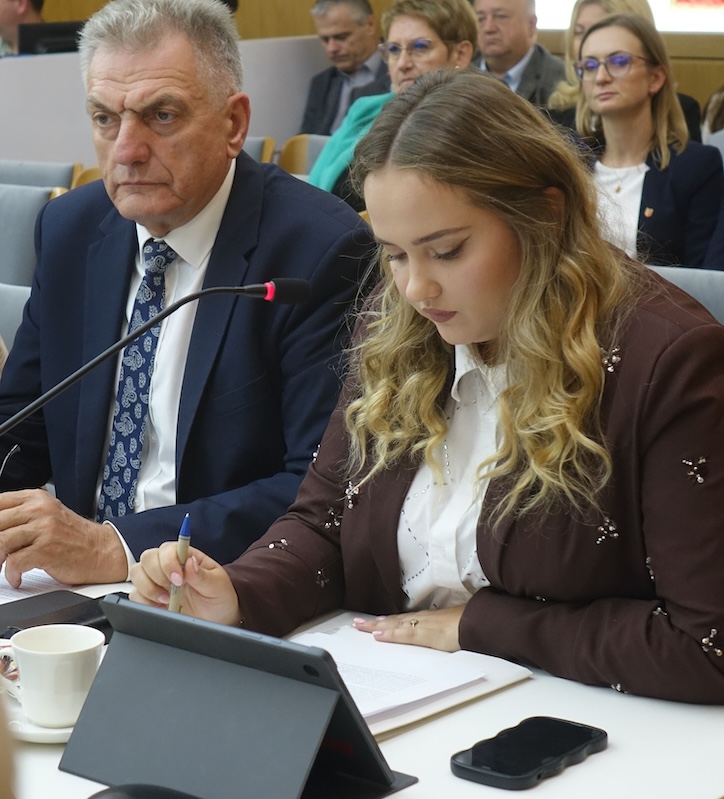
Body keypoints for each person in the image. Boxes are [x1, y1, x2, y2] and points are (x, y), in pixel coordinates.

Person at [130, 69, 724, 704]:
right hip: (398, 692)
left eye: (446, 251)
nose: (416, 288)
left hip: (587, 717)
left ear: (545, 217)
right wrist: (239, 593)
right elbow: (325, 521)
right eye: (394, 253)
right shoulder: (396, 323)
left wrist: (480, 626)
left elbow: (705, 645)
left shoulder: (667, 360)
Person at [0, 0, 373, 588]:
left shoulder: (318, 250)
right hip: (69, 587)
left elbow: (319, 487)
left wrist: (116, 545)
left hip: (223, 587)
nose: (126, 150)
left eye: (162, 115)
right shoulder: (72, 229)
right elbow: (21, 429)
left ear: (233, 124)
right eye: (105, 118)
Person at [576, 13, 723, 266]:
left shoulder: (695, 167)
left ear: (655, 78)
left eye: (619, 61)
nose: (600, 77)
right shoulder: (569, 163)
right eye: (589, 66)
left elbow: (702, 278)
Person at [308, 0, 477, 210]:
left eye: (420, 47)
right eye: (394, 49)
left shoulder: (475, 124)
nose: (402, 63)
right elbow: (312, 191)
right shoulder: (365, 110)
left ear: (460, 54)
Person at [546, 0, 702, 143]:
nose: (588, 41)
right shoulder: (556, 119)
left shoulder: (681, 111)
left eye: (601, 28)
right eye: (579, 32)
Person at [300, 0, 388, 135]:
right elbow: (305, 142)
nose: (331, 48)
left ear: (370, 25)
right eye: (325, 40)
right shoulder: (321, 83)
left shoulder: (401, 74)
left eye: (341, 37)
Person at [473, 0, 565, 107]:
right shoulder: (462, 70)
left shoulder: (561, 82)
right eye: (481, 19)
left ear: (531, 25)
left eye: (500, 17)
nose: (488, 28)